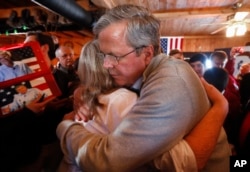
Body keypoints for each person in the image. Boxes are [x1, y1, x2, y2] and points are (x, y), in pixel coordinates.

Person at [57, 5, 230, 172]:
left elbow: (107, 161)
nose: (106, 65)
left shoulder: (169, 83)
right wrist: (82, 91)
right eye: (103, 55)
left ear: (147, 54)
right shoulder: (149, 73)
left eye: (114, 56)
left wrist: (66, 127)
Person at [210, 50, 241, 148]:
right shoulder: (207, 77)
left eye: (222, 64)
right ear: (210, 62)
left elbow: (236, 101)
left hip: (227, 122)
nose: (219, 66)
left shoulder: (231, 79)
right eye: (216, 63)